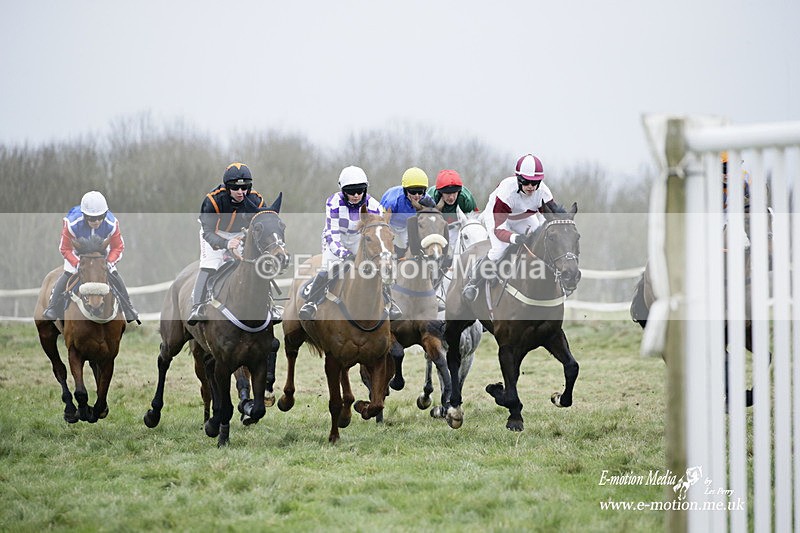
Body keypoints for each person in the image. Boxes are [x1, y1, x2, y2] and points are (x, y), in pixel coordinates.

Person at [299, 166, 402, 321]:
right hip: (335, 238)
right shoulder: (333, 203)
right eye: (351, 191)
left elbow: (379, 234)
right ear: (343, 191)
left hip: (359, 239)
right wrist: (343, 254)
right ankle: (311, 303)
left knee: (379, 265)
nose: (355, 195)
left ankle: (389, 302)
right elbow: (332, 234)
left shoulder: (374, 206)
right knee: (328, 267)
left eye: (360, 191)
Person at [187, 162, 278, 325]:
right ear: (228, 187)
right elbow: (208, 232)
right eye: (236, 188)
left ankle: (270, 305)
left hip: (241, 233)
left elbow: (262, 225)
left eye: (245, 188)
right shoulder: (213, 200)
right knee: (211, 264)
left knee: (257, 264)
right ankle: (198, 306)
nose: (241, 192)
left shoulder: (256, 200)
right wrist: (226, 243)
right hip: (214, 232)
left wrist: (244, 241)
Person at [462, 153, 559, 302]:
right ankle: (473, 283)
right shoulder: (506, 192)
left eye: (535, 183)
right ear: (519, 180)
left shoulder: (543, 192)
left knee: (540, 239)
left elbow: (555, 218)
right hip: (498, 216)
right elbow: (499, 229)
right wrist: (515, 238)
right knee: (499, 249)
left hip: (523, 216)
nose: (531, 187)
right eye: (526, 182)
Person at [42, 191, 139, 322]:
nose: (97, 221)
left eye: (101, 216)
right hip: (77, 254)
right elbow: (65, 248)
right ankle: (53, 307)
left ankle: (128, 308)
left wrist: (109, 263)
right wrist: (77, 263)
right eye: (92, 218)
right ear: (84, 215)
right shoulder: (72, 223)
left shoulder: (111, 224)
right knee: (68, 272)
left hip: (101, 256)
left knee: (114, 273)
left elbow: (118, 247)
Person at [380, 167, 436, 257]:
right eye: (413, 192)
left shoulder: (428, 201)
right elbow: (383, 223)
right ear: (405, 190)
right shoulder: (393, 200)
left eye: (420, 191)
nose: (417, 196)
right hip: (391, 225)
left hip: (408, 227)